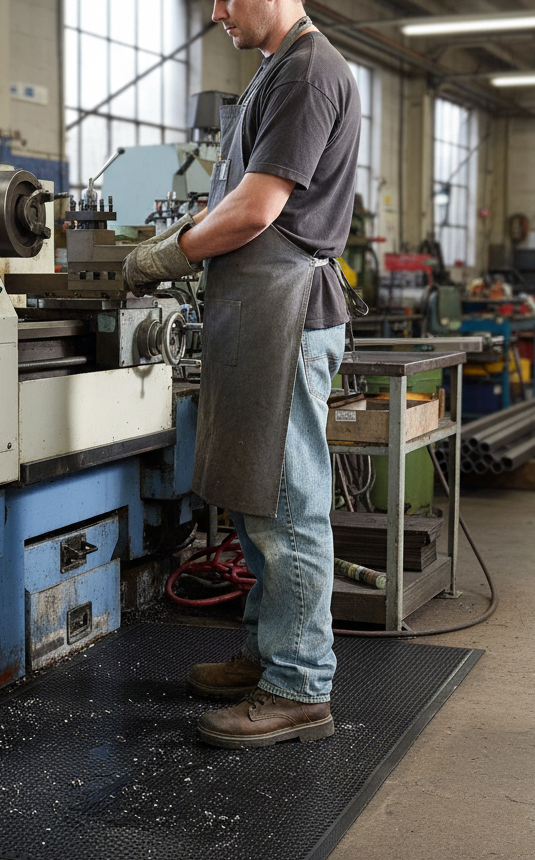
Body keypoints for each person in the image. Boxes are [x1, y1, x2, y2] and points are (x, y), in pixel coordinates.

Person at [123, 0, 362, 749]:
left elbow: (256, 210)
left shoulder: (309, 72)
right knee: (261, 499)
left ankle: (299, 686)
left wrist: (165, 254)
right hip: (256, 311)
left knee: (288, 505)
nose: (218, 10)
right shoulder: (274, 71)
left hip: (285, 312)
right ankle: (269, 655)